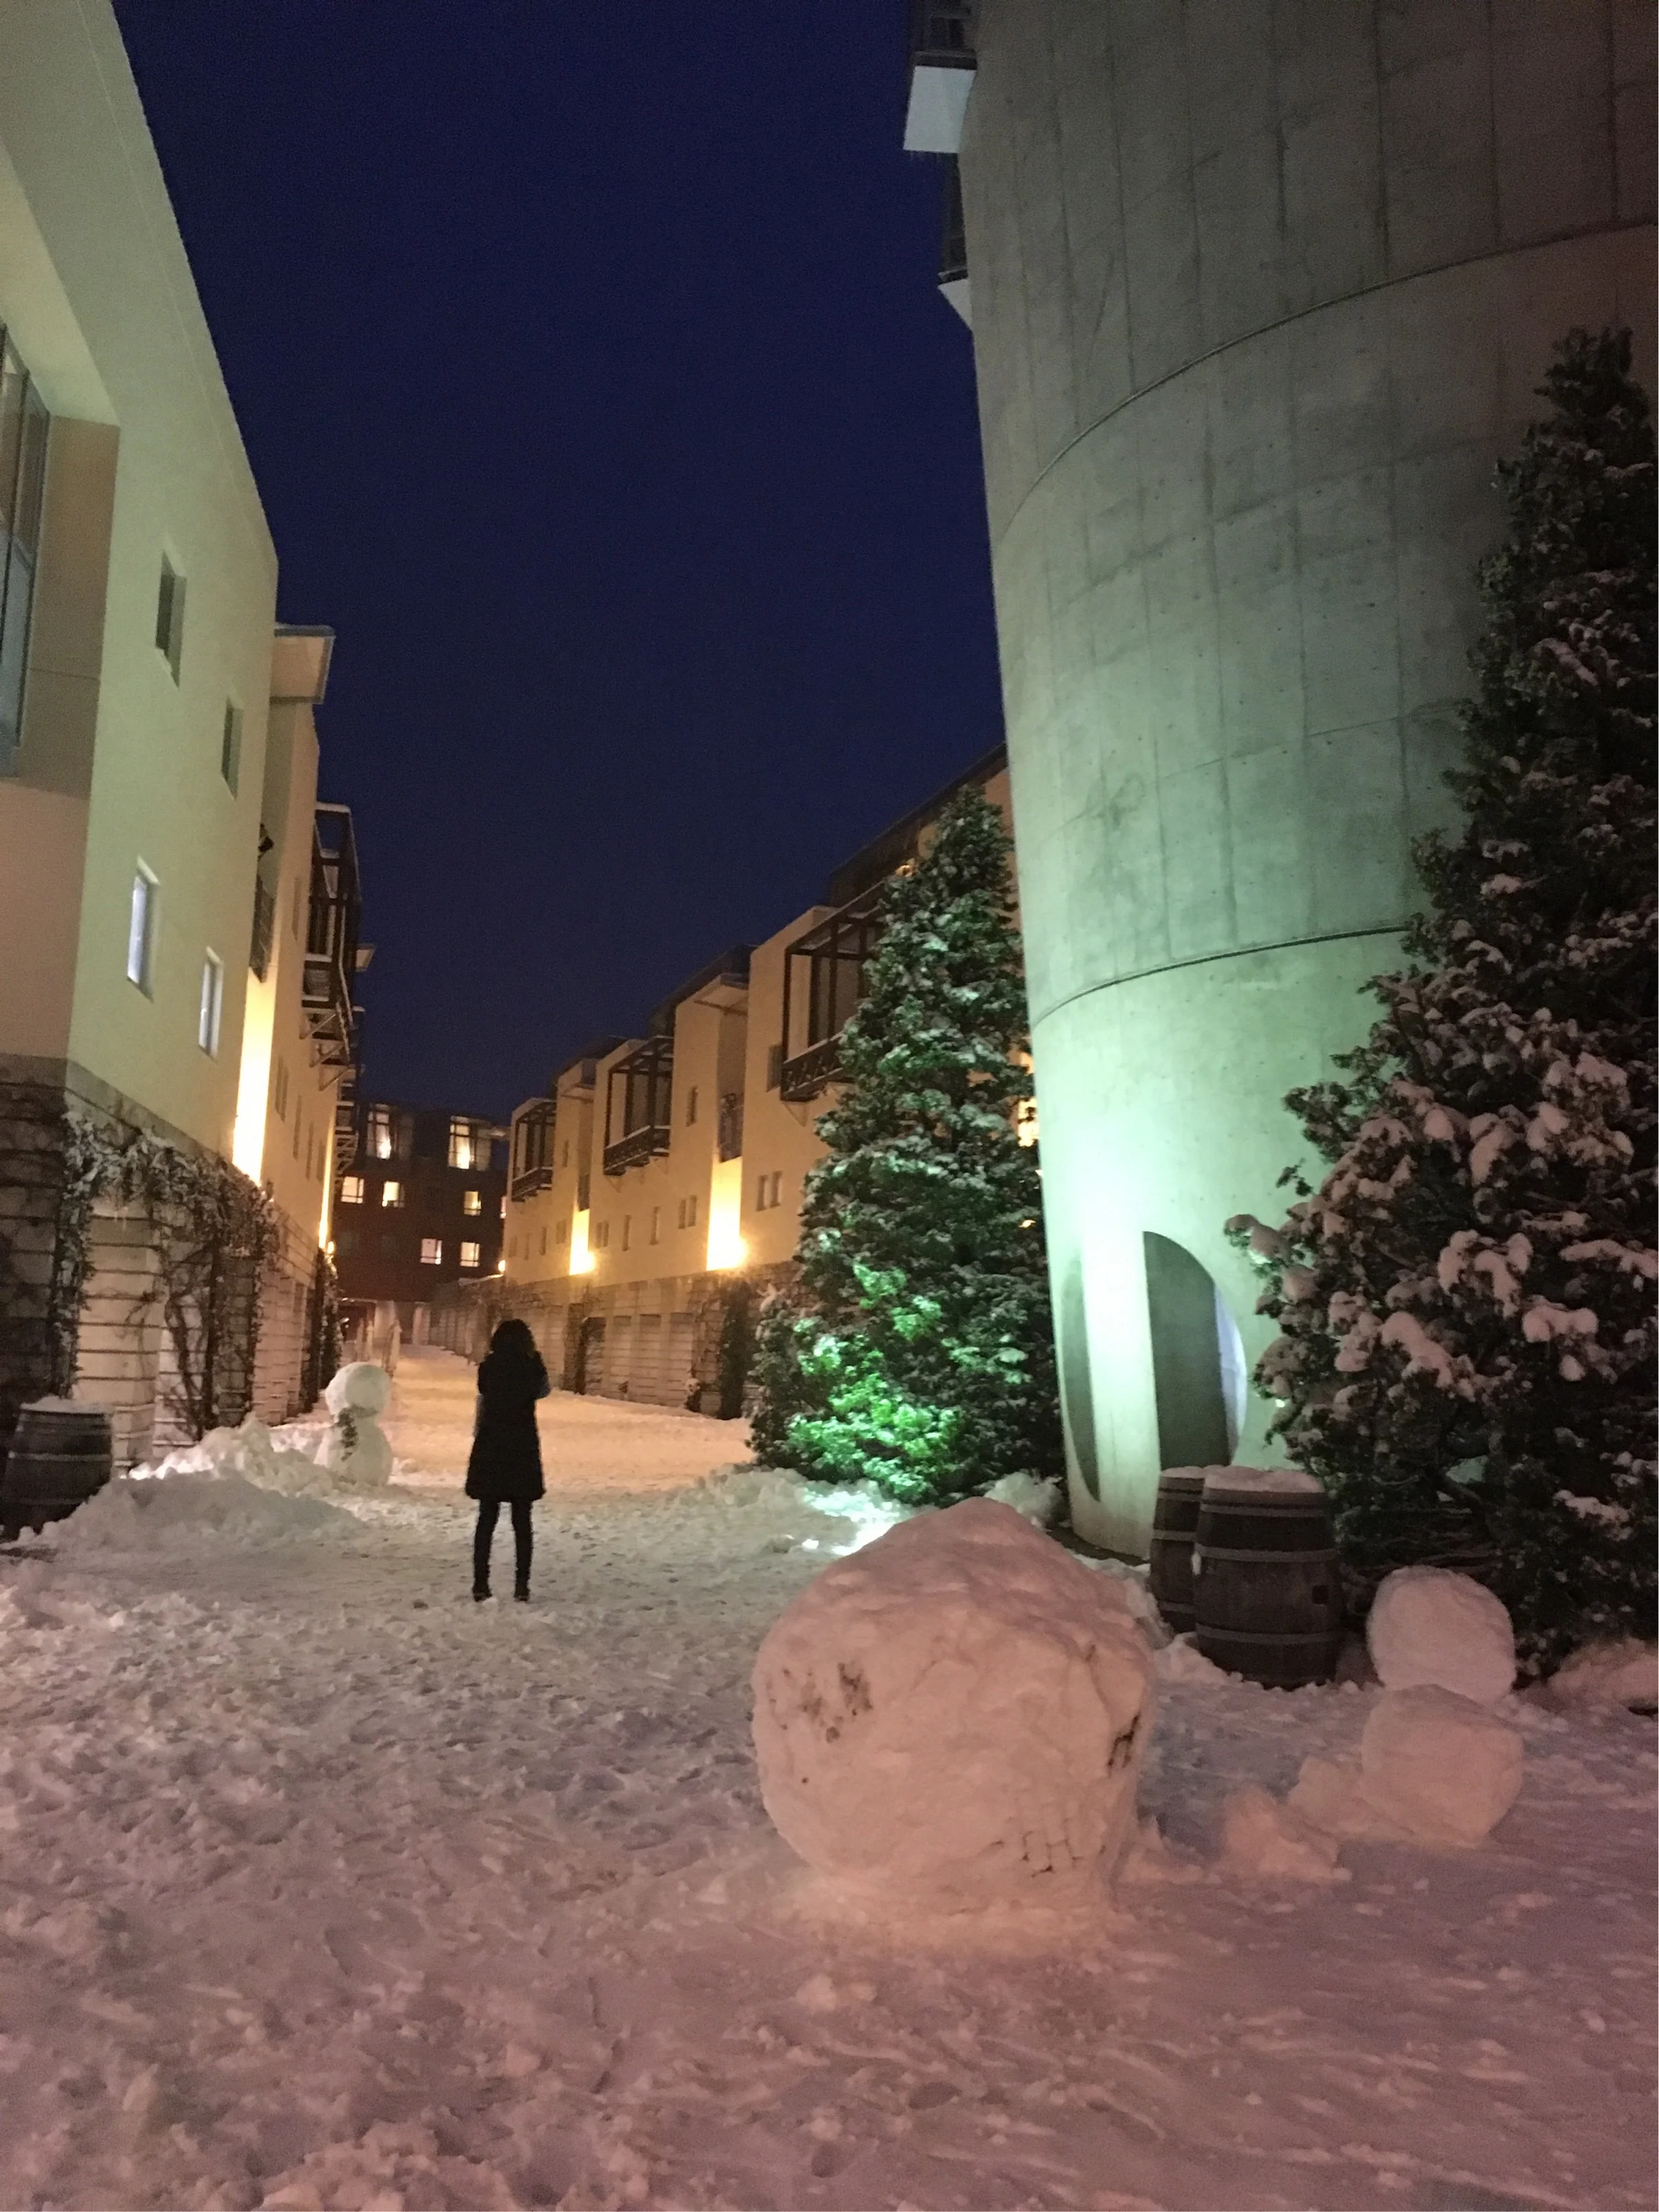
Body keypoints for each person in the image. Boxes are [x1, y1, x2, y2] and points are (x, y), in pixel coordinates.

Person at [465, 1318, 550, 1601]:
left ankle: (480, 1584)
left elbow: (484, 1395)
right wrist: (535, 1361)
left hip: (492, 1444)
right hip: (521, 1446)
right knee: (522, 1520)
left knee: (487, 1517)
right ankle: (522, 1585)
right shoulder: (532, 1366)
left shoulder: (489, 1367)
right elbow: (543, 1391)